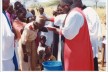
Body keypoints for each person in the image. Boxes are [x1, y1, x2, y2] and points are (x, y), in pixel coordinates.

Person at [47, 0, 94, 70]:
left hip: (75, 53)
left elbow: (68, 34)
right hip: (76, 50)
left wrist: (56, 30)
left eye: (62, 7)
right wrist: (48, 19)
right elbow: (63, 18)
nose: (61, 9)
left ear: (67, 6)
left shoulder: (75, 14)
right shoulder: (74, 12)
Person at [83, 6, 102, 71]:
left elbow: (93, 27)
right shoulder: (87, 11)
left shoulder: (89, 11)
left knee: (93, 61)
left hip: (91, 40)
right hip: (89, 40)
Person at [2, 0, 15, 71]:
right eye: (7, 3)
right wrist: (12, 34)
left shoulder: (4, 13)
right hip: (4, 49)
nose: (8, 5)